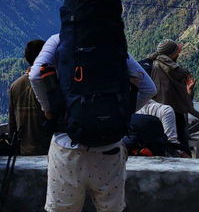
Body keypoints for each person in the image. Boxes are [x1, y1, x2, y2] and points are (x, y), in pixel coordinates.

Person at [29, 33, 155, 212]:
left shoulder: (58, 40)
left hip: (67, 148)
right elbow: (149, 88)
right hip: (109, 149)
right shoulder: (112, 41)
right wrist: (120, 114)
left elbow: (35, 75)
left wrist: (48, 110)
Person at [144, 39, 199, 154]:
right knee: (179, 148)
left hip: (151, 116)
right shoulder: (175, 71)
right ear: (173, 53)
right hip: (174, 116)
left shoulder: (148, 65)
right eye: (177, 52)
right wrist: (189, 90)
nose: (178, 54)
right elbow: (183, 101)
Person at [9, 39, 53, 155]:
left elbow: (12, 124)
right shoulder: (50, 85)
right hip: (48, 149)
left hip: (24, 150)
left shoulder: (15, 86)